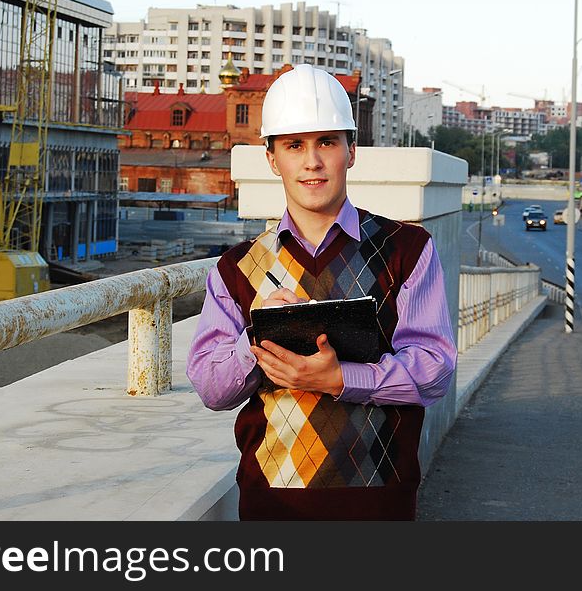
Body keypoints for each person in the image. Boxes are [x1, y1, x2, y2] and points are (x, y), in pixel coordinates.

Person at [187, 64, 457, 520]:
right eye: (295, 145)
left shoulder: (407, 250)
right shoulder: (236, 269)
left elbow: (434, 372)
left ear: (351, 151)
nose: (312, 161)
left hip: (380, 505)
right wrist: (256, 337)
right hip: (271, 505)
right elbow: (213, 389)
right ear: (273, 159)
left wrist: (339, 380)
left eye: (327, 142)